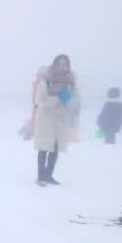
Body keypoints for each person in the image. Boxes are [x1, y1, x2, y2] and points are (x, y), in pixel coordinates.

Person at [33, 54, 79, 186]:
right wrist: (57, 98)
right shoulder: (46, 79)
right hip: (46, 118)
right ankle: (40, 176)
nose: (62, 67)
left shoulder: (70, 81)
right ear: (54, 64)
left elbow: (74, 99)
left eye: (65, 64)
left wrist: (68, 100)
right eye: (60, 64)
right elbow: (40, 99)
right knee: (44, 147)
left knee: (55, 147)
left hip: (60, 118)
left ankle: (48, 175)